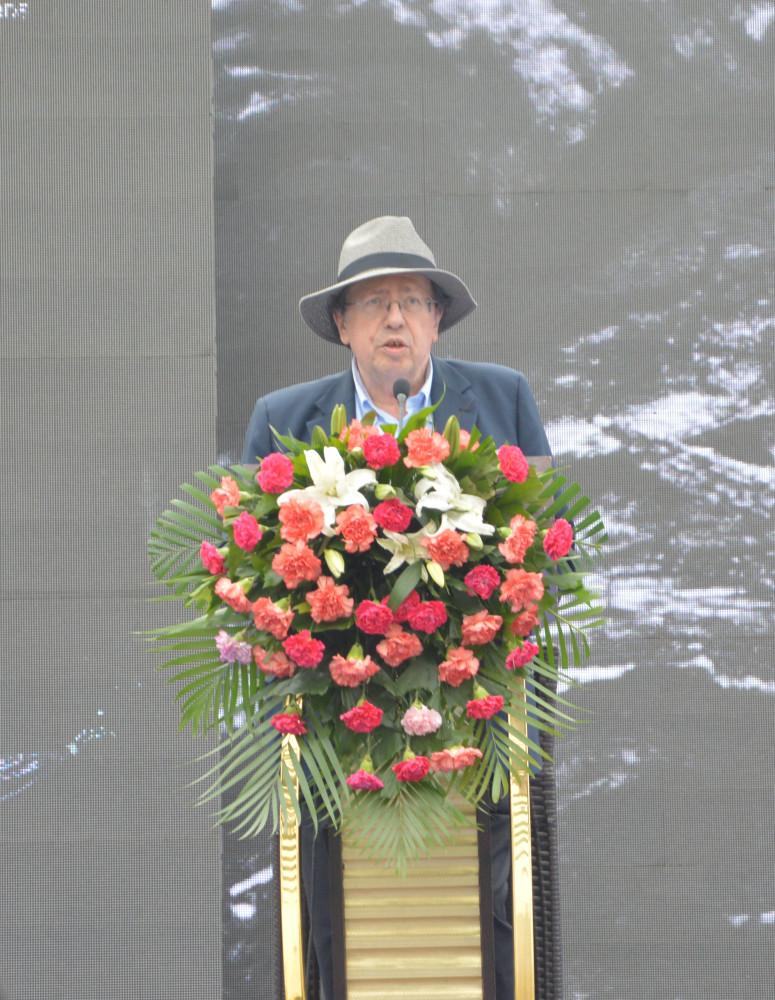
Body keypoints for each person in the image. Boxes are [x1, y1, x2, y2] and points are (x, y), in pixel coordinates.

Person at [242, 216, 552, 1000]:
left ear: (437, 318)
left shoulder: (501, 398)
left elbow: (552, 549)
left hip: (480, 715)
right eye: (373, 302)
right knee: (331, 921)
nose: (393, 319)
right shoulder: (284, 419)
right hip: (333, 717)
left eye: (411, 300)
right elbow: (250, 577)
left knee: (500, 916)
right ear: (340, 324)